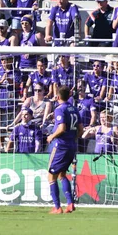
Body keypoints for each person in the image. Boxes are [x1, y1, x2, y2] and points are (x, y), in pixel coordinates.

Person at [46, 85, 83, 214]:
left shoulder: (59, 109)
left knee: (51, 176)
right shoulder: (74, 109)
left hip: (61, 145)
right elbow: (81, 130)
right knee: (62, 174)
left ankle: (57, 207)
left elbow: (61, 128)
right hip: (72, 145)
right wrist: (73, 138)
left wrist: (52, 136)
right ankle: (70, 203)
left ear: (58, 97)